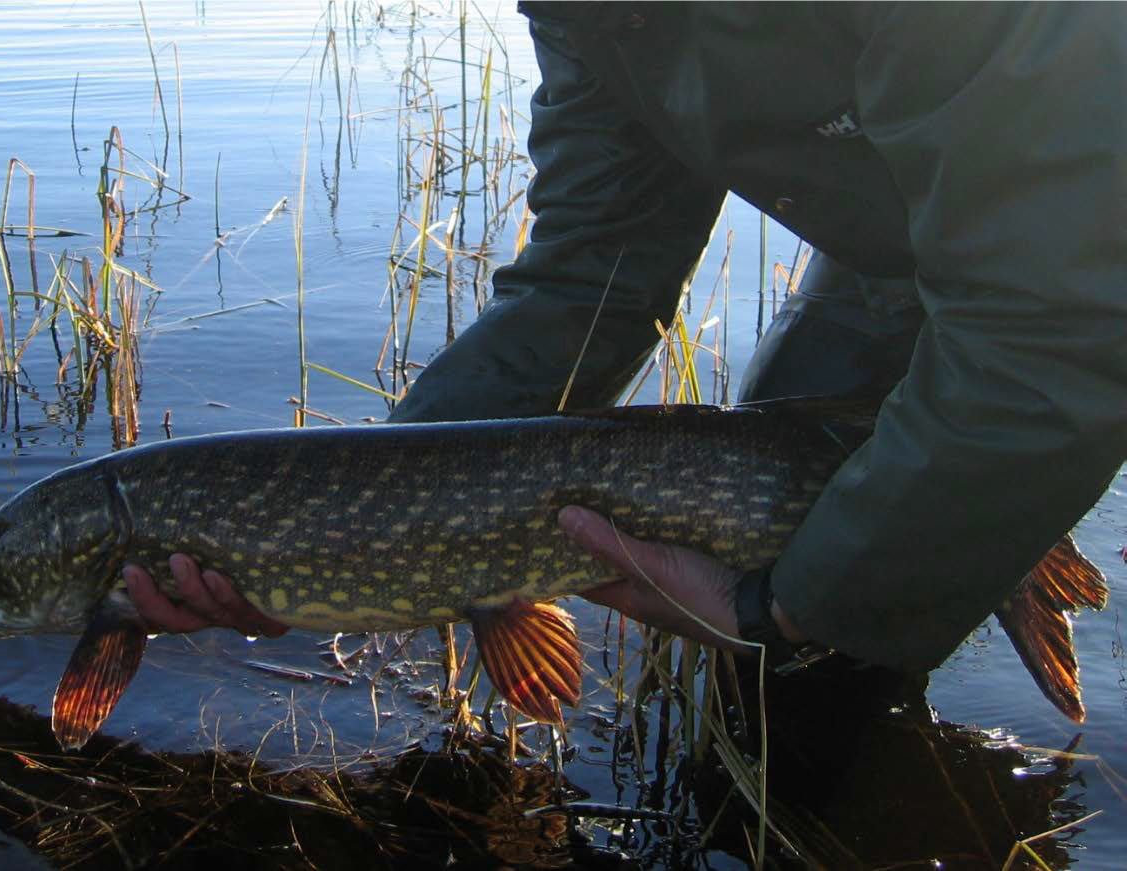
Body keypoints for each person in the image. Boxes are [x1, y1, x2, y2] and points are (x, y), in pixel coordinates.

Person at [128, 2, 1127, 676]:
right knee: (819, 576)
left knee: (822, 597)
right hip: (923, 239)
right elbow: (595, 265)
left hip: (1081, 239)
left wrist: (779, 613)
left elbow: (1058, 323)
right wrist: (353, 517)